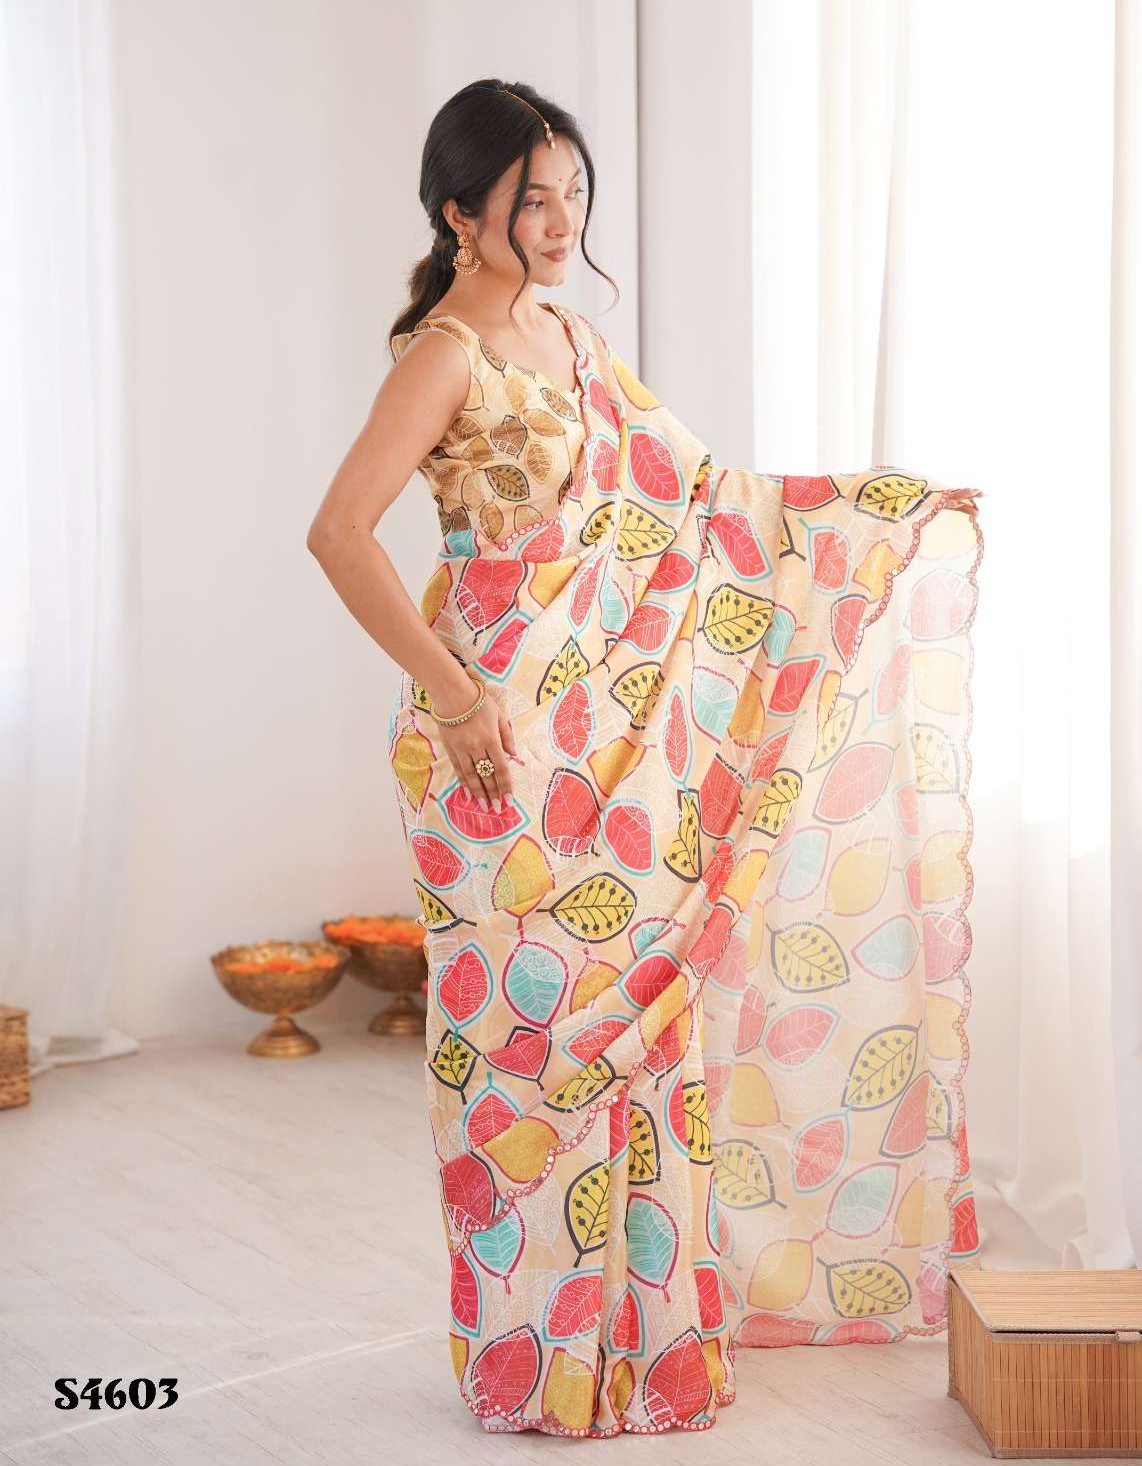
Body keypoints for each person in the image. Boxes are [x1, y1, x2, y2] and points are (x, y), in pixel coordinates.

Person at [307, 78, 984, 1439]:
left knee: (644, 1019)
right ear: (461, 212)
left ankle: (645, 1345)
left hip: (618, 741)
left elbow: (709, 504)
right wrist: (454, 696)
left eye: (573, 194)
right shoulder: (445, 356)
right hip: (494, 740)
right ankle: (541, 1359)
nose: (561, 221)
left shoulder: (574, 339)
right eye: (532, 199)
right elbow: (338, 533)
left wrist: (872, 511)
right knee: (528, 1045)